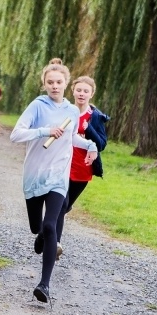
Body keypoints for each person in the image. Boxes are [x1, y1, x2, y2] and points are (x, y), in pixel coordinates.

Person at [10, 59, 97, 305]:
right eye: (50, 82)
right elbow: (16, 134)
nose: (55, 86)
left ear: (66, 83)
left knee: (51, 226)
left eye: (59, 82)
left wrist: (90, 145)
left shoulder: (71, 110)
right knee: (37, 228)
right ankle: (41, 236)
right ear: (44, 84)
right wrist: (44, 131)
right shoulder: (37, 106)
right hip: (35, 174)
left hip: (58, 176)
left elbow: (72, 138)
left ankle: (44, 285)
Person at [65, 75, 110, 214]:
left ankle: (44, 235)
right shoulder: (64, 111)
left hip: (82, 169)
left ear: (91, 94)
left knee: (64, 207)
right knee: (57, 206)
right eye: (79, 90)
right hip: (61, 165)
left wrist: (88, 129)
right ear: (73, 91)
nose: (81, 94)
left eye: (85, 91)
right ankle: (45, 235)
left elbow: (101, 145)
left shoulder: (96, 117)